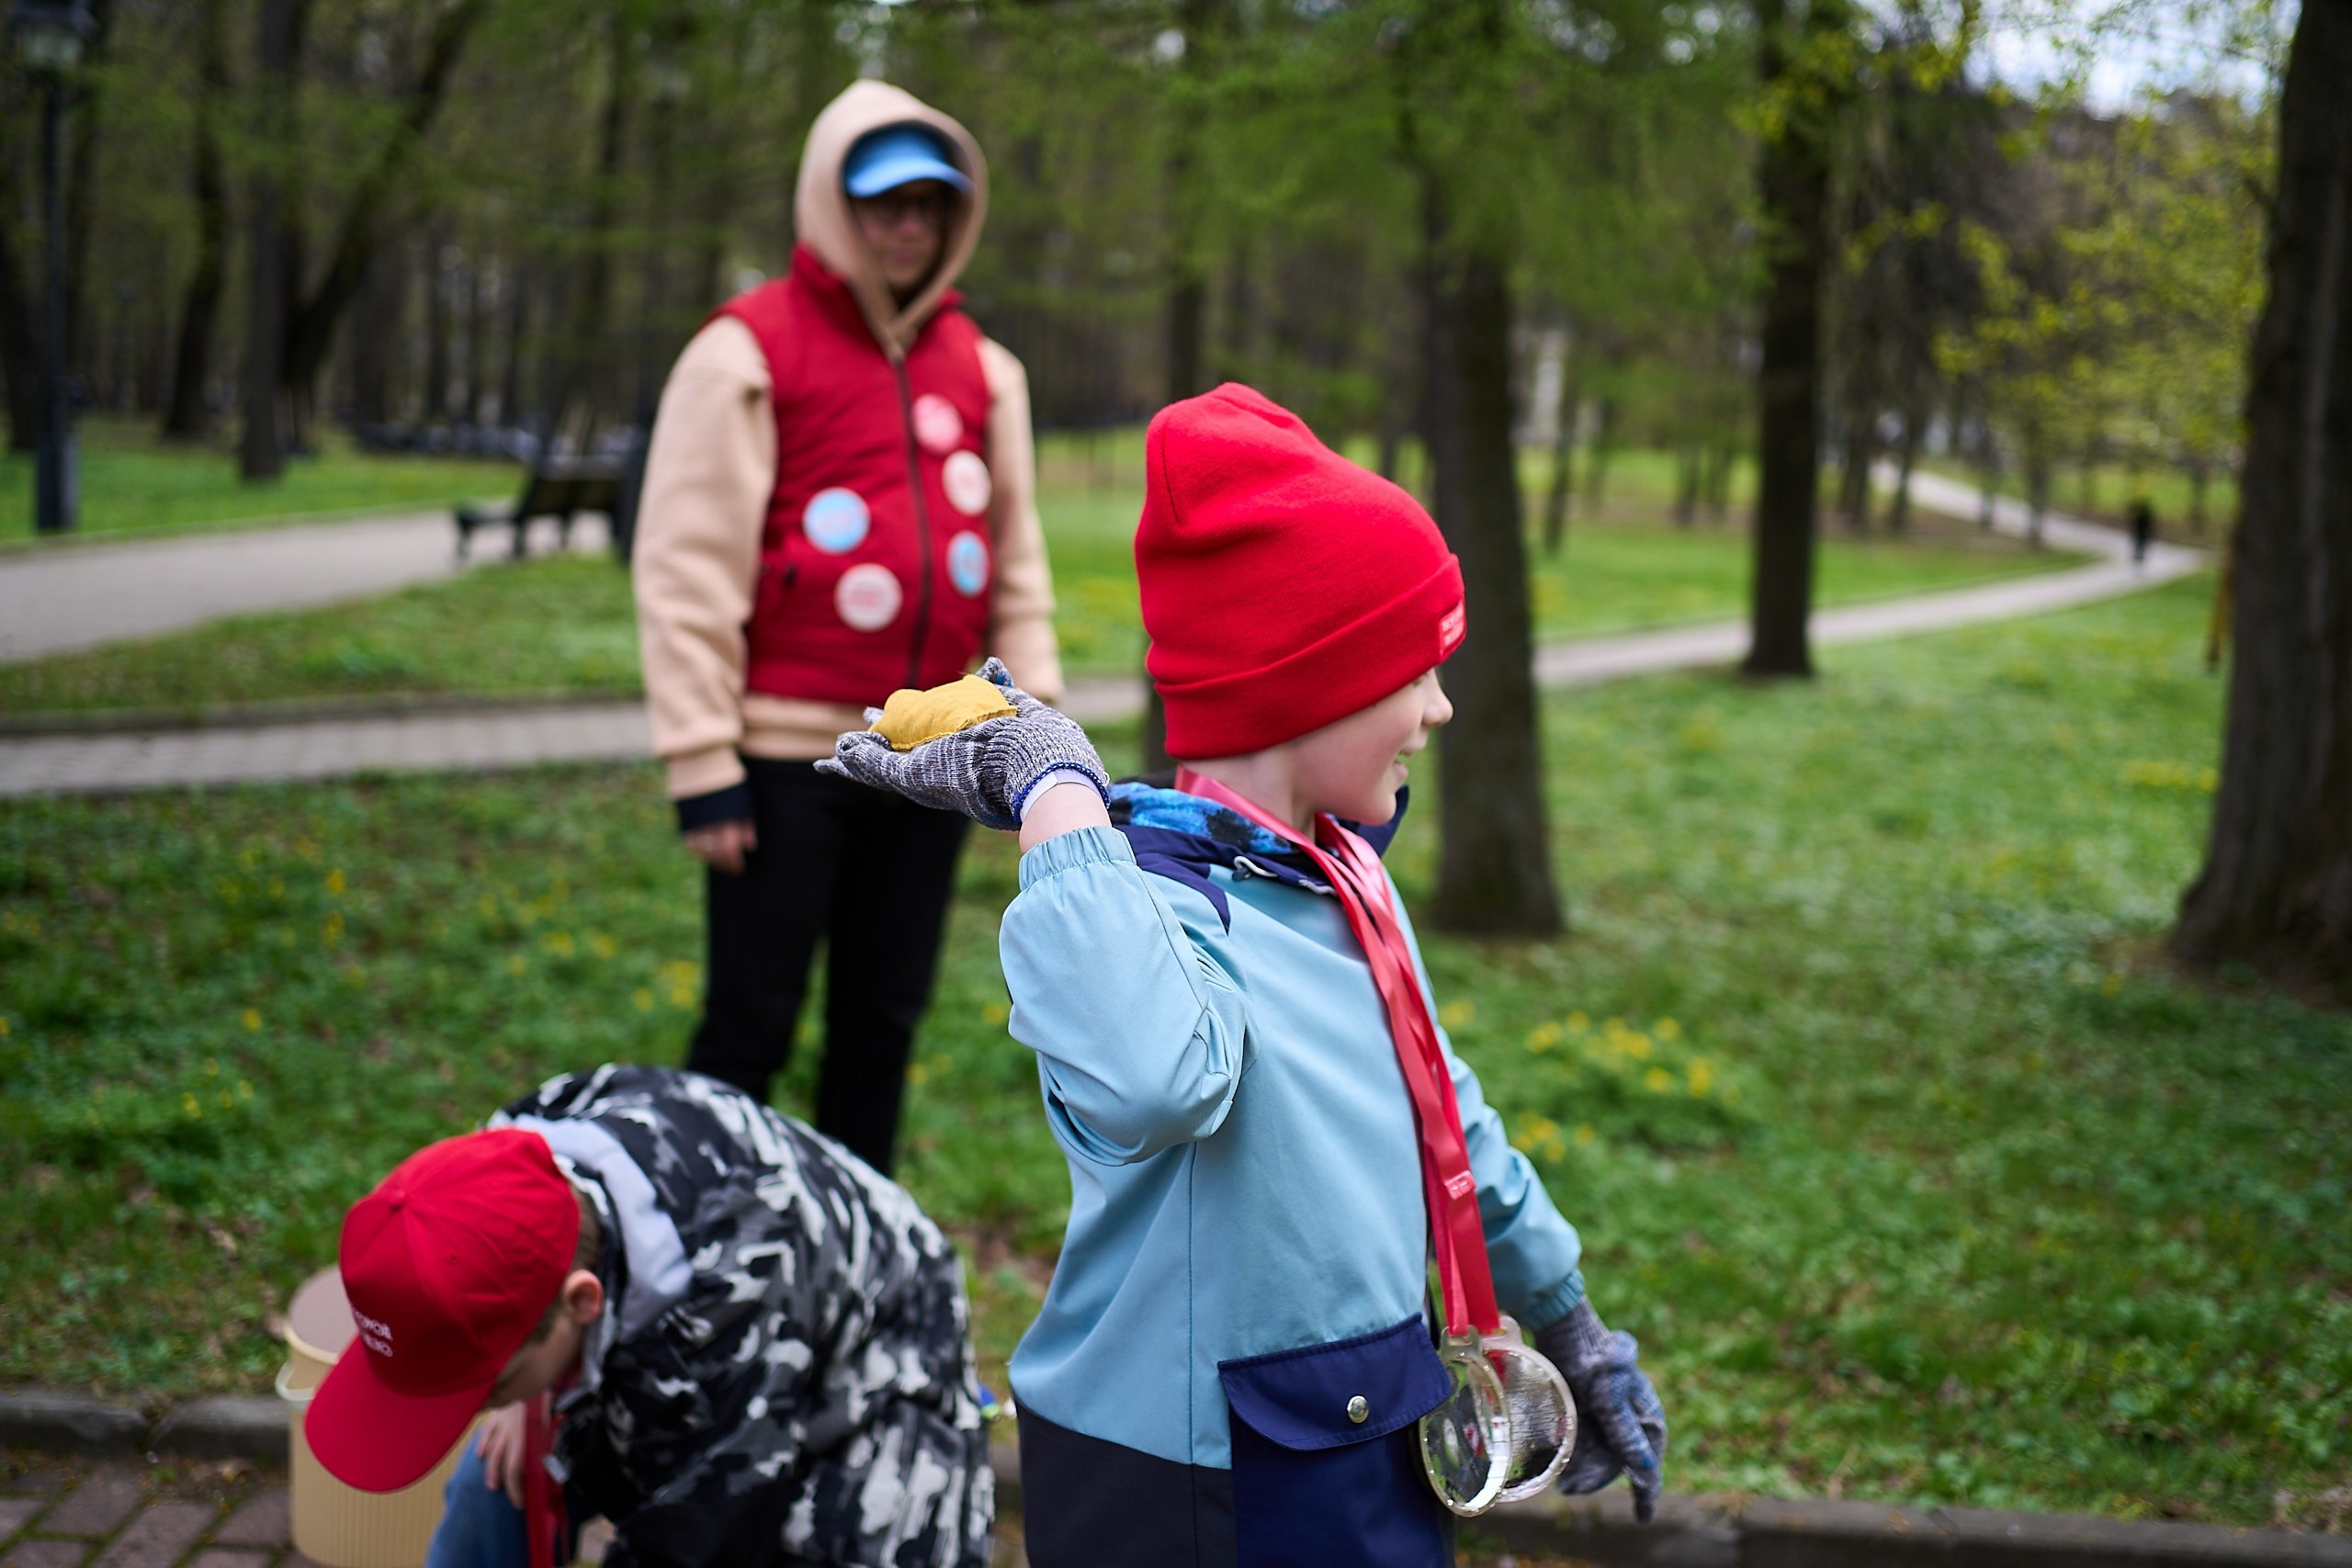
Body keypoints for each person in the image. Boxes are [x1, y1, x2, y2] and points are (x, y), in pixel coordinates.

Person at [822, 384, 1668, 1567]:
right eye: (1410, 672)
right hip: (1196, 1482)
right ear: (1306, 683)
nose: (1439, 706)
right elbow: (1152, 1081)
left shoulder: (1340, 881)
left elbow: (1442, 1115)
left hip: (1360, 1428)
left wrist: (1565, 1312)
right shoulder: (1156, 899)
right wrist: (1057, 795)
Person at [631, 79, 1063, 1174]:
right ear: (832, 204)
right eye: (883, 203)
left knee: (880, 1026)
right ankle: (707, 1232)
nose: (907, 225)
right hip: (782, 761)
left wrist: (1033, 746)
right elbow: (685, 567)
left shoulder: (987, 374)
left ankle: (855, 1246)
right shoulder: (747, 351)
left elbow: (1017, 567)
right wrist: (701, 763)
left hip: (930, 756)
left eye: (929, 204)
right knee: (750, 1022)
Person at [302, 1065, 992, 1568]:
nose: (482, 1404)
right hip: (676, 1323)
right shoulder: (498, 1169)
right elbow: (502, 1286)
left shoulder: (726, 1314)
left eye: (489, 1385)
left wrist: (539, 1397)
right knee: (495, 1475)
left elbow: (692, 1536)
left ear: (579, 1301)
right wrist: (517, 1393)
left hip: (879, 1350)